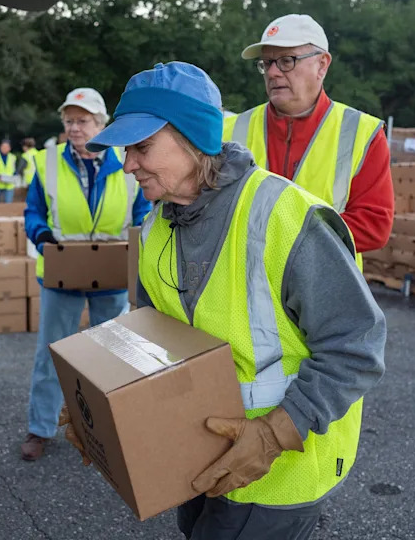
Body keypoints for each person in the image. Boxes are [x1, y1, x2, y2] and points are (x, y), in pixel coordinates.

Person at [75, 61, 386, 539]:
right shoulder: (159, 224)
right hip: (201, 453)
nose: (127, 163)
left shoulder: (283, 215)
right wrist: (95, 400)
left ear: (194, 135)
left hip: (282, 468)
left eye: (142, 146)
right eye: (124, 149)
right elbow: (153, 335)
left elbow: (357, 346)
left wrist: (274, 434)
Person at [20, 87, 151, 462]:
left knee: (109, 357)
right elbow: (33, 211)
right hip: (62, 274)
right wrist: (41, 235)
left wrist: (138, 242)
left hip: (110, 275)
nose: (75, 128)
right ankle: (40, 428)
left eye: (83, 121)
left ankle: (108, 430)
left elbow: (143, 213)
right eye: (69, 121)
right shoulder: (47, 164)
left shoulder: (127, 165)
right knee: (51, 354)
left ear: (101, 124)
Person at [225, 14, 393, 262]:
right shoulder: (230, 130)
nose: (272, 72)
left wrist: (281, 234)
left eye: (286, 61)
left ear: (322, 65)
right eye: (267, 62)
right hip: (242, 295)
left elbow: (374, 225)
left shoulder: (362, 133)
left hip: (324, 293)